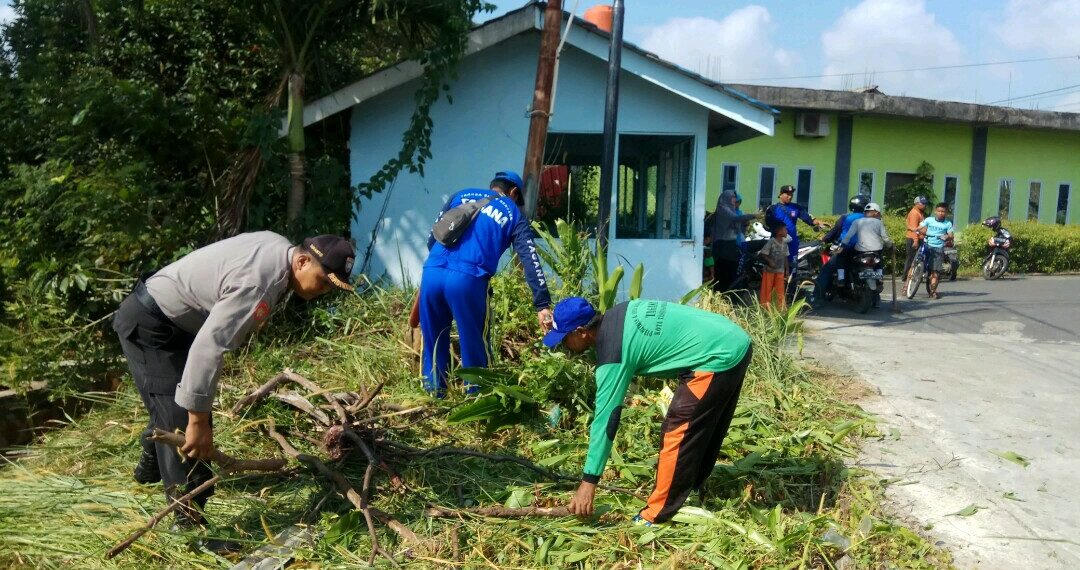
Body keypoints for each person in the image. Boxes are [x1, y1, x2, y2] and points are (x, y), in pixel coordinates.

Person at [112, 232, 355, 544]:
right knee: (187, 427)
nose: (322, 291)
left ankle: (149, 469)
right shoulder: (260, 284)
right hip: (153, 327)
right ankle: (188, 528)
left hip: (177, 322)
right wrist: (198, 423)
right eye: (323, 281)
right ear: (304, 260)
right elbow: (209, 348)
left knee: (174, 400)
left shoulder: (279, 250)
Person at [544, 297, 753, 526]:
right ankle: (692, 488)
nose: (563, 345)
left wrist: (588, 482)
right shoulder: (619, 313)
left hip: (716, 356)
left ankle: (656, 514)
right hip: (732, 339)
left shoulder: (614, 353)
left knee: (678, 432)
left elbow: (606, 420)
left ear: (582, 332)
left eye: (564, 339)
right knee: (704, 426)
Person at [420, 170, 552, 397]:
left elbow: (433, 239)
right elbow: (530, 258)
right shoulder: (512, 212)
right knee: (474, 343)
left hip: (431, 273)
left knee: (433, 341)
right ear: (513, 192)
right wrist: (542, 303)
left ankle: (433, 397)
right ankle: (477, 400)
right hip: (467, 281)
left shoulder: (460, 196)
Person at [765, 185, 825, 270]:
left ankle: (792, 283)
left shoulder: (796, 207)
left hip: (792, 243)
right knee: (777, 268)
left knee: (792, 267)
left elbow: (808, 219)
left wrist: (818, 222)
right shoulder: (772, 208)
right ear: (780, 194)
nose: (790, 197)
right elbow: (768, 224)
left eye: (791, 195)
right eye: (787, 194)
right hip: (778, 243)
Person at [711, 190, 757, 292]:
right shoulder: (723, 209)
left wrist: (745, 224)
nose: (734, 201)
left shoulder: (732, 210)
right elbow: (735, 218)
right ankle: (722, 294)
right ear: (727, 198)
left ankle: (732, 293)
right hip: (723, 245)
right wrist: (753, 215)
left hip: (731, 245)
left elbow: (739, 230)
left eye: (736, 200)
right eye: (733, 198)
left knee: (733, 270)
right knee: (723, 271)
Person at [917, 203, 955, 299]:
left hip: (938, 248)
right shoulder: (929, 220)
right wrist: (917, 231)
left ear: (946, 213)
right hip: (927, 245)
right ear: (935, 211)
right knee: (917, 259)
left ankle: (933, 291)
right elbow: (919, 227)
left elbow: (951, 235)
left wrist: (947, 236)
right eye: (939, 211)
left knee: (935, 272)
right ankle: (914, 274)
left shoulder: (948, 223)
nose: (941, 213)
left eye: (943, 211)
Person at [758, 221, 789, 308]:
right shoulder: (771, 242)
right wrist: (770, 261)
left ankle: (780, 309)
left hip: (780, 271)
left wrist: (787, 271)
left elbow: (785, 257)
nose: (787, 231)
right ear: (779, 232)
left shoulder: (785, 243)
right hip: (769, 271)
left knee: (779, 291)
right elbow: (763, 254)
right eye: (785, 229)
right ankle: (766, 308)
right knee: (767, 290)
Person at [903, 195, 930, 280]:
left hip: (919, 238)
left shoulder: (920, 212)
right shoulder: (914, 213)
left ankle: (912, 276)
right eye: (923, 203)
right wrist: (915, 241)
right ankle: (906, 277)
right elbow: (914, 229)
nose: (925, 205)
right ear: (917, 203)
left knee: (916, 258)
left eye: (925, 203)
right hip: (913, 238)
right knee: (911, 259)